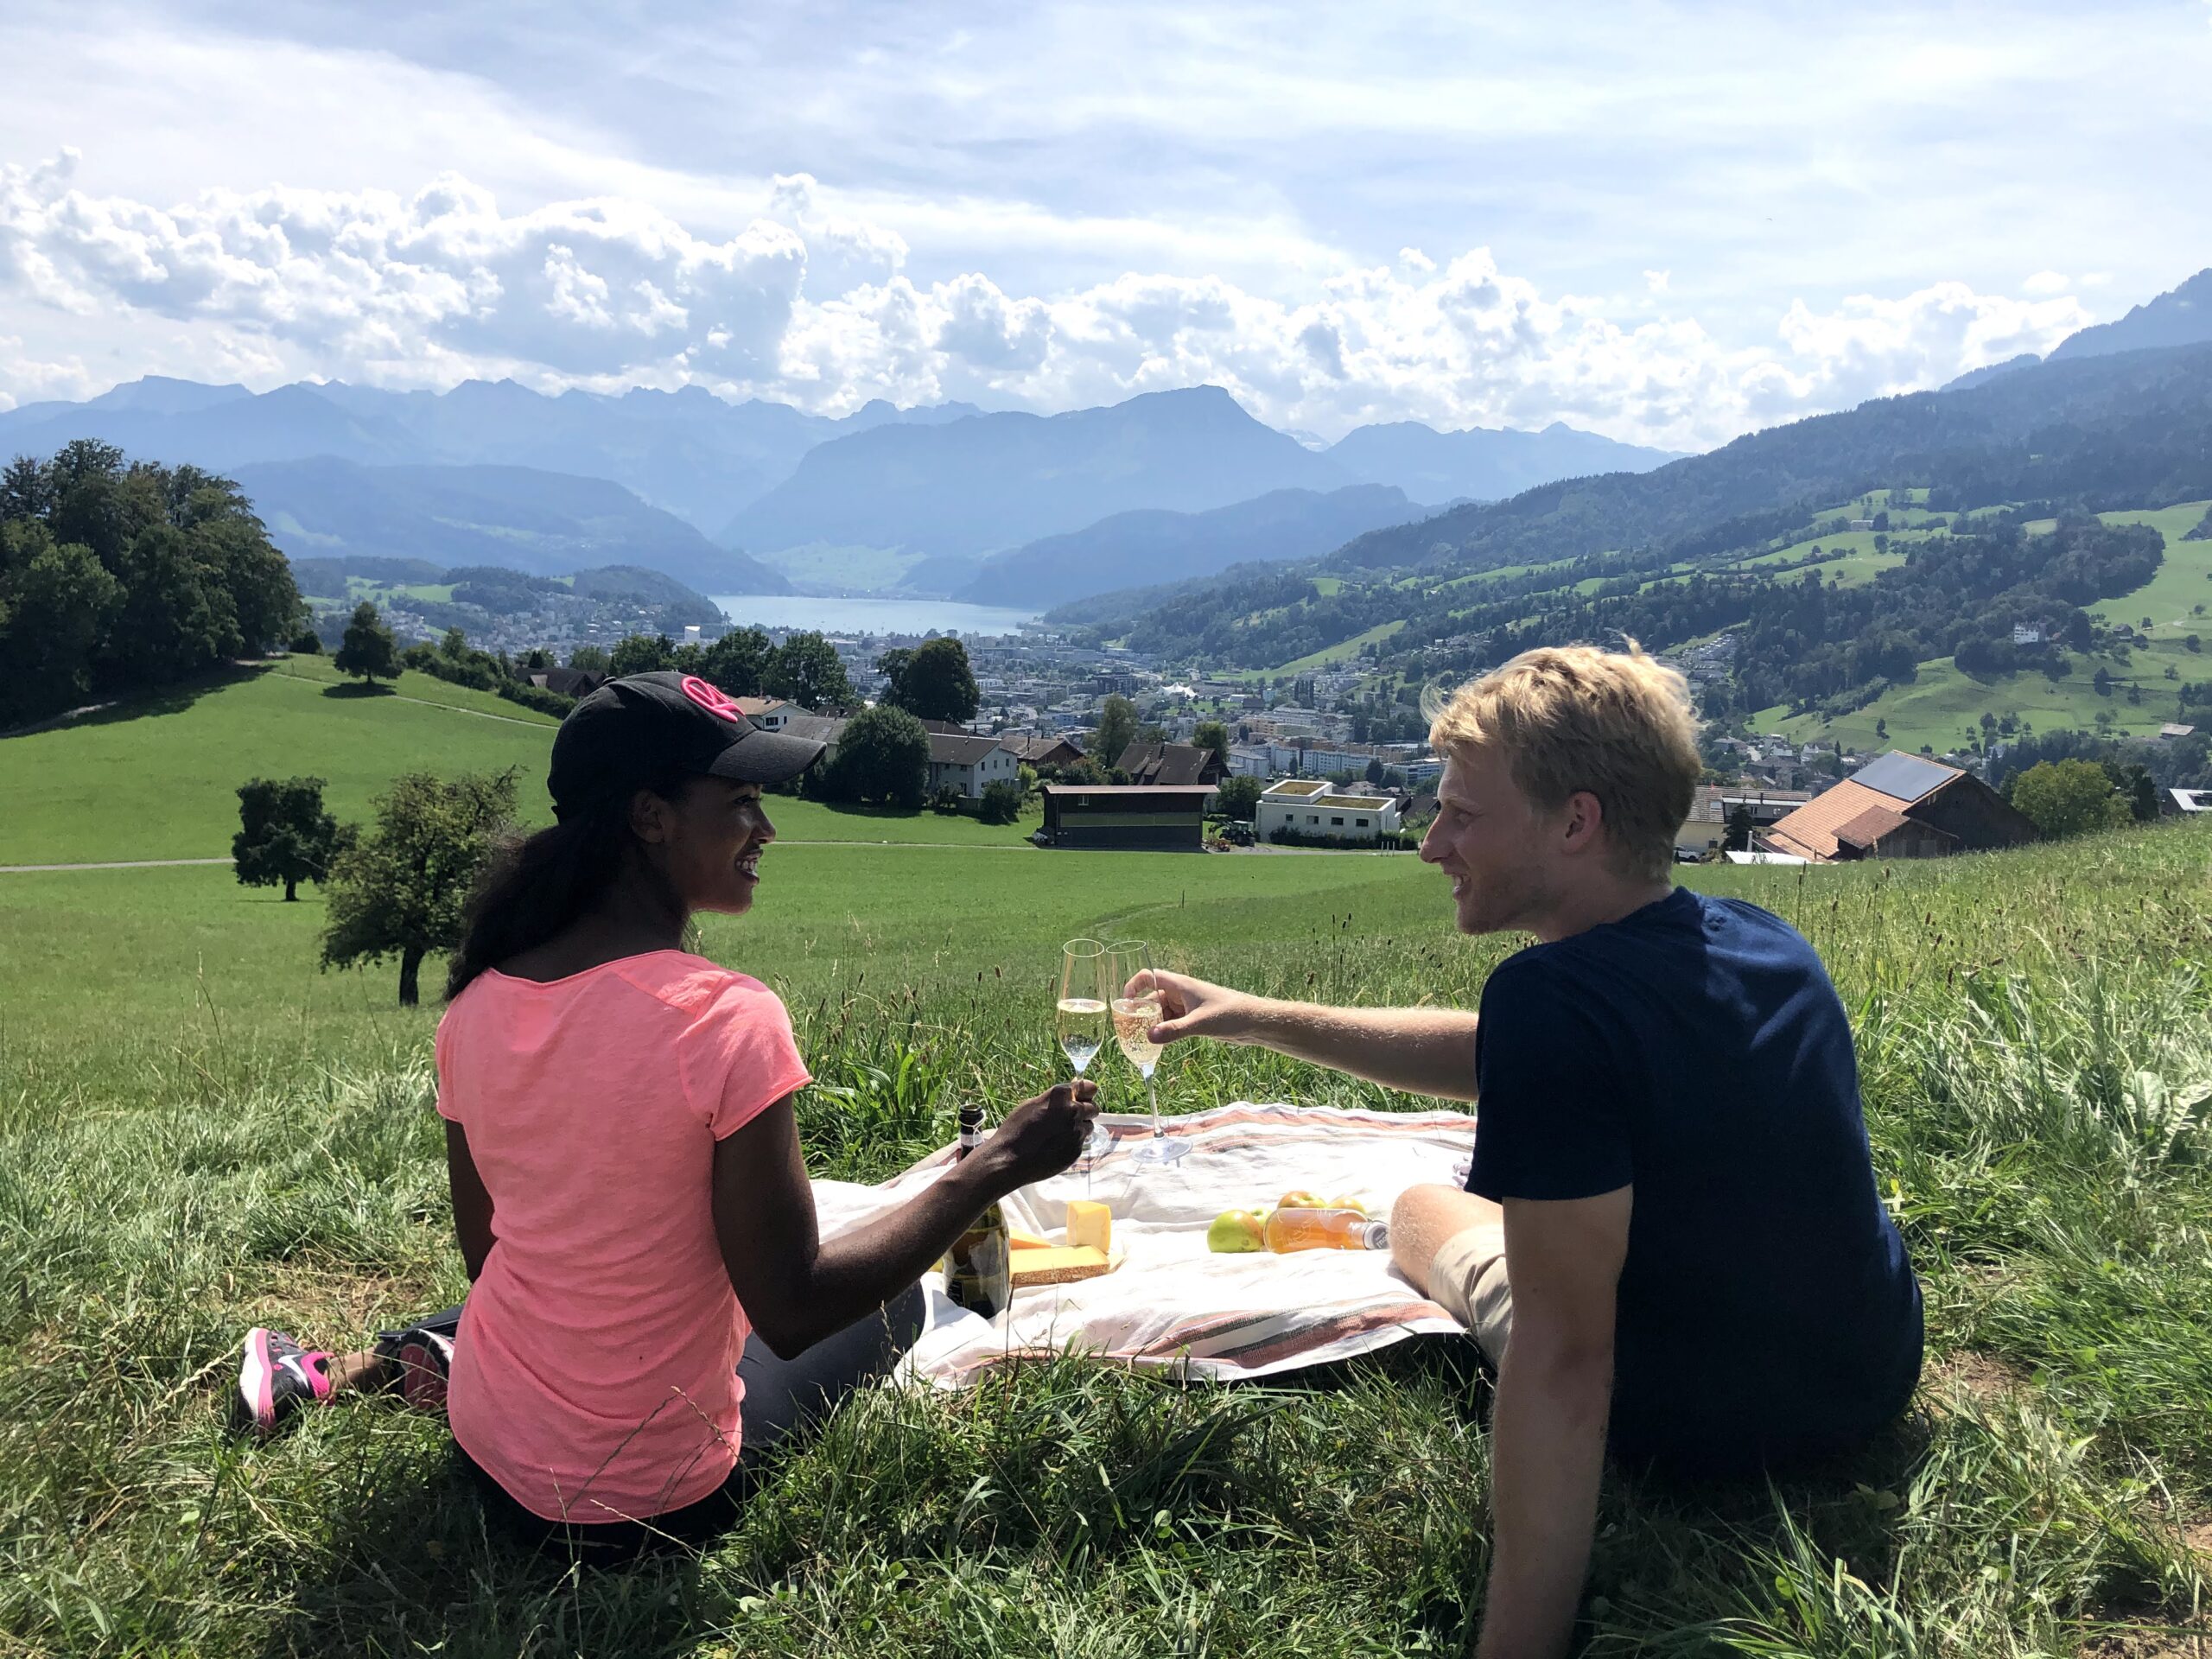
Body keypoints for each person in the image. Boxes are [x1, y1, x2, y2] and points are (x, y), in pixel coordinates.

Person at [1146, 644, 1922, 1659]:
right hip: (1864, 1374)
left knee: (1426, 1205)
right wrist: (1257, 1016)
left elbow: (1564, 1359)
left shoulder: (1549, 1003)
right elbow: (1516, 1057)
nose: (1431, 846)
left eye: (1461, 815)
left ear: (1575, 821)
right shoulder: (1762, 938)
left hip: (1692, 1427)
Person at [234, 671, 1099, 1558]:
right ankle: (408, 1363)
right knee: (901, 1309)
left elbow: (490, 1258)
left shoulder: (474, 1009)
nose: (765, 829)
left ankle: (392, 1365)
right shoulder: (725, 1017)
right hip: (649, 1502)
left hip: (492, 1451)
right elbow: (793, 1306)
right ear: (651, 818)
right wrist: (993, 1165)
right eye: (742, 801)